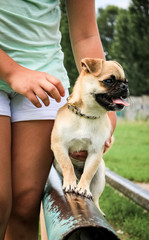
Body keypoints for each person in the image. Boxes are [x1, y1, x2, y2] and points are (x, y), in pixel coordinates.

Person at [0, 0, 116, 239]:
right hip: (9, 70)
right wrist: (12, 72)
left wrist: (108, 100)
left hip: (46, 80)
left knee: (25, 204)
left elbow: (85, 34)